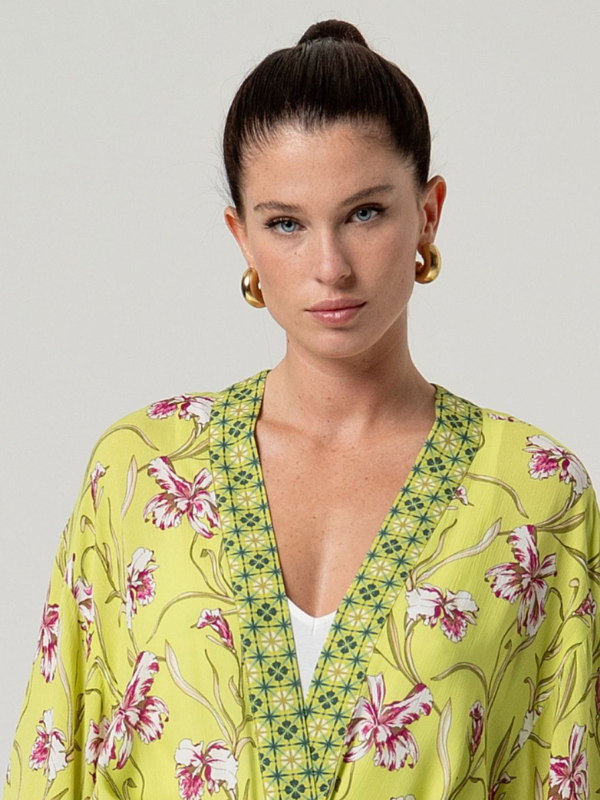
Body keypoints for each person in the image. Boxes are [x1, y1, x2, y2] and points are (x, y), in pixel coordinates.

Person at [3, 17, 598, 800]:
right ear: (242, 237)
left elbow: (565, 772)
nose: (330, 267)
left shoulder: (533, 495)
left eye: (365, 213)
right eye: (285, 223)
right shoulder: (141, 474)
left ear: (428, 213)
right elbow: (55, 767)